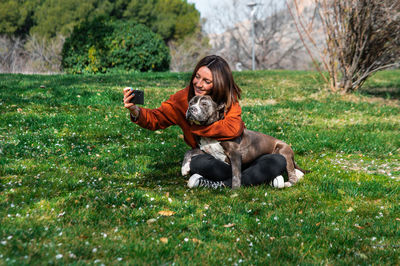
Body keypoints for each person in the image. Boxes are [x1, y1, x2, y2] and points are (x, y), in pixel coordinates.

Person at [123, 55, 286, 189]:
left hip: (240, 158)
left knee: (277, 160)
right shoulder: (182, 99)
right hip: (212, 159)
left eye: (207, 81)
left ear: (219, 83)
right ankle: (258, 178)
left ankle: (220, 184)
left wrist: (196, 129)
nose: (199, 84)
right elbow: (157, 118)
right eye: (197, 77)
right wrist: (135, 111)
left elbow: (233, 129)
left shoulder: (228, 101)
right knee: (198, 163)